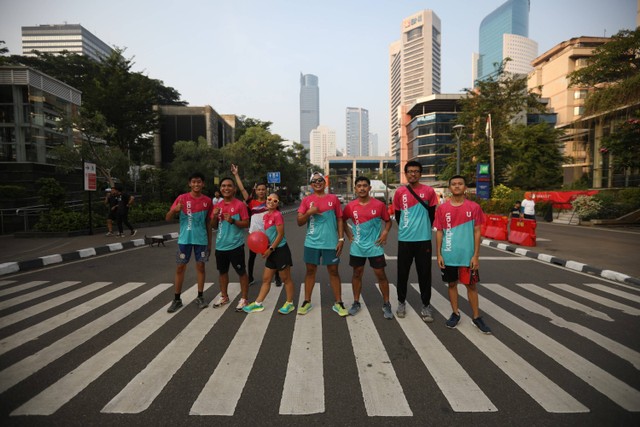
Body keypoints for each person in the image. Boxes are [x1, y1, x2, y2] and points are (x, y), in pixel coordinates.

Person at [434, 175, 492, 334]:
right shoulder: (443, 209)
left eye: (460, 184)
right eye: (454, 184)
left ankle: (476, 317)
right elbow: (439, 232)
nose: (457, 186)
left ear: (465, 187)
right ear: (449, 188)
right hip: (449, 255)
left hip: (467, 256)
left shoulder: (474, 207)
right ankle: (455, 313)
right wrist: (439, 254)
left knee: (471, 286)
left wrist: (476, 256)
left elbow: (477, 231)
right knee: (452, 284)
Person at [297, 172, 348, 316]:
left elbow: (339, 219)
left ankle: (338, 302)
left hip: (331, 243)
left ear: (325, 183)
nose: (318, 183)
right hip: (311, 243)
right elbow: (299, 222)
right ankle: (307, 301)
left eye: (320, 180)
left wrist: (341, 239)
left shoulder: (333, 199)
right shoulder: (307, 200)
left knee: (333, 272)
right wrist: (309, 212)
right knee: (310, 271)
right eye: (314, 181)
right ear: (311, 185)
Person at [393, 160, 438, 322]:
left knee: (424, 274)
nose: (413, 174)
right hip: (404, 239)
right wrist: (407, 228)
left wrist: (423, 228)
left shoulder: (429, 191)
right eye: (410, 171)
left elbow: (432, 214)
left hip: (423, 239)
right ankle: (401, 302)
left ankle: (426, 305)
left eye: (416, 171)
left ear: (421, 173)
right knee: (402, 273)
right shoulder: (399, 193)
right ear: (406, 174)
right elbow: (398, 215)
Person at [342, 177, 393, 319]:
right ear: (355, 188)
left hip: (375, 246)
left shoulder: (379, 205)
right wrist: (348, 235)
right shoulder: (350, 206)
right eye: (359, 186)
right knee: (357, 273)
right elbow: (342, 220)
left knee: (381, 274)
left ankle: (387, 303)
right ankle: (356, 302)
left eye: (365, 185)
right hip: (357, 247)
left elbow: (388, 221)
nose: (362, 188)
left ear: (370, 188)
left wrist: (385, 233)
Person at [165, 172, 213, 313]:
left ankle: (200, 296)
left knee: (201, 267)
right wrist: (175, 210)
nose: (196, 184)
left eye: (199, 182)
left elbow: (209, 223)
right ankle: (177, 299)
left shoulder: (208, 201)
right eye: (194, 182)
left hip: (201, 240)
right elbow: (167, 218)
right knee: (180, 268)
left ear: (203, 184)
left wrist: (210, 243)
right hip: (184, 240)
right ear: (189, 184)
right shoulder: (182, 198)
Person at [243, 193, 296, 315]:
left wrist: (270, 249)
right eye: (269, 199)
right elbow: (266, 235)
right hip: (271, 251)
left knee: (286, 279)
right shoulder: (266, 216)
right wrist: (264, 248)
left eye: (275, 200)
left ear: (278, 204)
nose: (271, 201)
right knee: (266, 279)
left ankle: (289, 303)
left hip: (280, 251)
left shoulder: (277, 215)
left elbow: (280, 235)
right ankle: (258, 304)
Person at [231, 164, 282, 287]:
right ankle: (251, 277)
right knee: (252, 257)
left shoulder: (270, 202)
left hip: (268, 234)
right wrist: (236, 174)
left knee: (273, 256)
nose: (261, 191)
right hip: (255, 236)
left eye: (263, 189)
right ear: (256, 191)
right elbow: (243, 190)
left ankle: (277, 277)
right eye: (259, 189)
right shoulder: (251, 202)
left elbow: (277, 216)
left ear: (266, 191)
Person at [211, 176, 251, 311]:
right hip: (220, 245)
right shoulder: (217, 205)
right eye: (223, 186)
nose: (226, 188)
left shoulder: (240, 205)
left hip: (235, 245)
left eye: (229, 186)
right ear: (220, 189)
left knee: (241, 272)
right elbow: (213, 226)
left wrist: (233, 221)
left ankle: (244, 299)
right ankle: (224, 296)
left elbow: (246, 223)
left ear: (234, 189)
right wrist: (215, 216)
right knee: (222, 272)